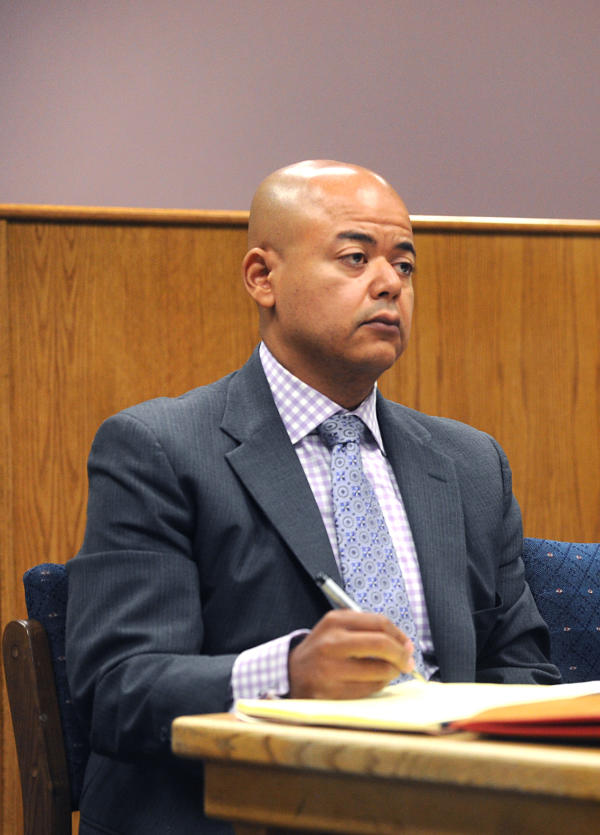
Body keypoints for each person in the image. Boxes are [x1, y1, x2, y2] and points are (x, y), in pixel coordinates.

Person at [66, 160, 559, 834]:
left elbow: (524, 668)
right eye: (356, 257)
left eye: (405, 266)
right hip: (247, 811)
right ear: (262, 277)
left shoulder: (470, 464)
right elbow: (116, 689)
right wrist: (290, 671)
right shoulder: (159, 448)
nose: (389, 283)